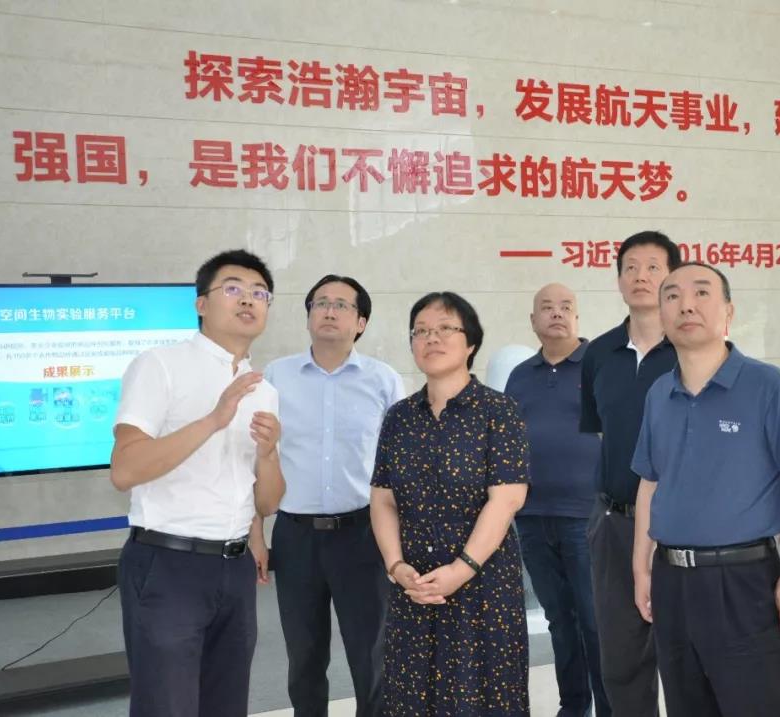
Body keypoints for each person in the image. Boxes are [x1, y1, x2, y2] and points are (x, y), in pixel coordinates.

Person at [632, 262, 780, 716]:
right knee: (685, 705)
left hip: (742, 580)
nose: (686, 305)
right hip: (671, 580)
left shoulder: (766, 385)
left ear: (729, 311)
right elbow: (650, 483)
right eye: (672, 296)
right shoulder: (659, 393)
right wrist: (641, 567)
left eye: (702, 293)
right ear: (661, 315)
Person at [110, 249, 285, 717]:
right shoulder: (160, 365)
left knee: (226, 705)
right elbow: (124, 470)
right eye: (233, 288)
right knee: (166, 706)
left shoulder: (263, 390)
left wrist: (268, 455)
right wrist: (213, 419)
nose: (247, 299)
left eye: (259, 293)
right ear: (201, 304)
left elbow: (267, 502)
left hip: (235, 569)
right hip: (169, 563)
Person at [369, 291, 531, 716]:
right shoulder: (399, 417)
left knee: (481, 696)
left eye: (445, 328)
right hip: (415, 586)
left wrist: (461, 570)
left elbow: (507, 499)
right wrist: (396, 567)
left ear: (471, 342)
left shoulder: (499, 411)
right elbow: (383, 499)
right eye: (421, 331)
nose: (431, 338)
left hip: (483, 585)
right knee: (412, 696)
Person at [255, 274, 404, 717]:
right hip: (295, 536)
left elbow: (402, 467)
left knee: (371, 653)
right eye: (320, 303)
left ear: (361, 322)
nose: (329, 311)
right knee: (303, 654)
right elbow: (252, 458)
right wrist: (256, 534)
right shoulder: (275, 376)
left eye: (342, 304)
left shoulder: (383, 380)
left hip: (362, 534)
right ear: (308, 317)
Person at [579, 230, 680, 716]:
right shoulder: (598, 354)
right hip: (614, 523)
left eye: (653, 267)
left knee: (686, 655)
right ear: (618, 279)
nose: (641, 276)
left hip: (681, 525)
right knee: (621, 660)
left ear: (673, 278)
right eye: (630, 267)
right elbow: (604, 433)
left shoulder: (693, 349)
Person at [505, 283, 608, 717]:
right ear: (533, 320)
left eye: (566, 306)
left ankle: (610, 708)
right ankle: (574, 707)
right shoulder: (519, 376)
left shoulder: (600, 366)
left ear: (577, 317)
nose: (557, 313)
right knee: (559, 621)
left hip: (587, 517)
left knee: (595, 621)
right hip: (531, 517)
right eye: (547, 307)